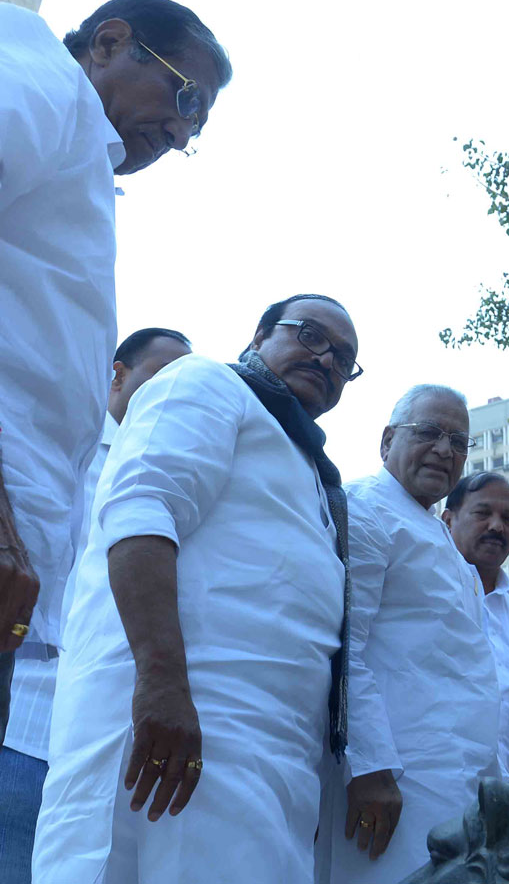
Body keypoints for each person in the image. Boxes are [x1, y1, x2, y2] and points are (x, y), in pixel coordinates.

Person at [32, 295, 359, 884]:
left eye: (343, 358)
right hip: (184, 733)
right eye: (310, 335)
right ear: (259, 336)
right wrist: (162, 683)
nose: (326, 359)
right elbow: (140, 510)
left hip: (271, 758)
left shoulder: (312, 473)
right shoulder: (207, 383)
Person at [0, 0, 229, 746]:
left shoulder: (80, 160)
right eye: (185, 96)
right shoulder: (42, 79)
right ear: (109, 41)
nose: (182, 131)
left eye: (198, 125)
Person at [0, 328, 190, 884]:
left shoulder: (172, 482)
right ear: (117, 376)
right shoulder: (69, 457)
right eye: (159, 377)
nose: (170, 394)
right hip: (26, 726)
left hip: (109, 749)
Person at [320, 385, 500, 883]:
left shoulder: (434, 530)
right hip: (395, 779)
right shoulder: (365, 508)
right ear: (386, 441)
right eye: (428, 432)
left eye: (458, 442)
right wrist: (369, 766)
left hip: (456, 775)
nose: (444, 449)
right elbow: (344, 645)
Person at [443, 472, 509, 782]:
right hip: (438, 784)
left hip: (507, 792)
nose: (497, 526)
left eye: (508, 518)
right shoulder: (428, 589)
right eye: (483, 513)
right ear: (448, 520)